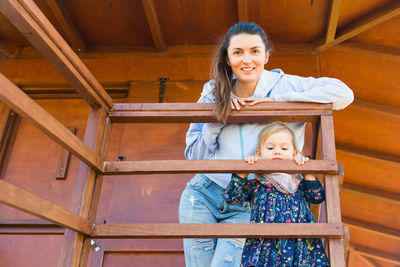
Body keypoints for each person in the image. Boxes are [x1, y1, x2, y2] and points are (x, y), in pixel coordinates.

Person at [178, 22, 353, 267]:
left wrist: (276, 102)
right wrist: (219, 117)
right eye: (238, 52)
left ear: (266, 55)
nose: (246, 60)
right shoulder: (213, 90)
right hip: (203, 193)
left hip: (248, 198)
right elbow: (193, 156)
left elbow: (344, 94)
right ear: (228, 59)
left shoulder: (285, 84)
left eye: (255, 51)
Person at [224, 123, 328, 267]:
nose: (277, 152)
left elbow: (316, 198)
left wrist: (307, 171)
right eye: (270, 148)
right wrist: (243, 170)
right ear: (259, 154)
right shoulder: (257, 184)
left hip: (298, 243)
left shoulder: (298, 182)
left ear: (293, 154)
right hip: (266, 244)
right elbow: (232, 197)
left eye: (284, 148)